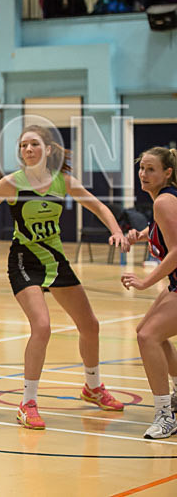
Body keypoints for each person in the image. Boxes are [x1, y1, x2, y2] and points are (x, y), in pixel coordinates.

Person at [0, 125, 128, 430]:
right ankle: (28, 403)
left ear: (47, 149)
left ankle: (93, 387)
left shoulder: (62, 181)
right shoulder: (12, 183)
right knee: (42, 326)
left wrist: (116, 231)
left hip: (55, 259)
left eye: (33, 144)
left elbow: (99, 206)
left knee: (90, 325)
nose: (27, 150)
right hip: (25, 260)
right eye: (23, 145)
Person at [121, 147, 177, 439]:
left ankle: (165, 415)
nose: (143, 174)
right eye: (142, 168)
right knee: (146, 331)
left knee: (148, 337)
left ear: (167, 172)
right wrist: (140, 235)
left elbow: (176, 250)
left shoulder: (164, 201)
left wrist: (145, 282)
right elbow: (163, 232)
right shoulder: (164, 199)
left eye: (151, 169)